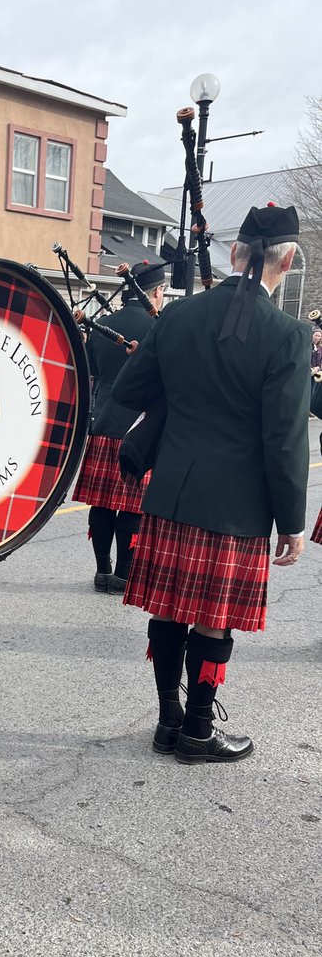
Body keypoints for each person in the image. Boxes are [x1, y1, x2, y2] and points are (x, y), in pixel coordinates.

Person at [113, 204, 309, 765]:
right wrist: (291, 521)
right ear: (287, 259)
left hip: (172, 489)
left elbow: (130, 391)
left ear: (237, 253)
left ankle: (168, 723)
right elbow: (284, 441)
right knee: (212, 617)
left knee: (169, 608)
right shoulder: (288, 335)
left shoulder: (175, 317)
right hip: (236, 506)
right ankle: (198, 729)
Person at [73, 261, 166, 593]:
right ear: (156, 292)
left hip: (105, 420)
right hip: (139, 428)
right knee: (131, 506)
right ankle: (124, 575)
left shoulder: (104, 324)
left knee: (102, 502)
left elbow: (94, 371)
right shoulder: (159, 327)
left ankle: (102, 571)